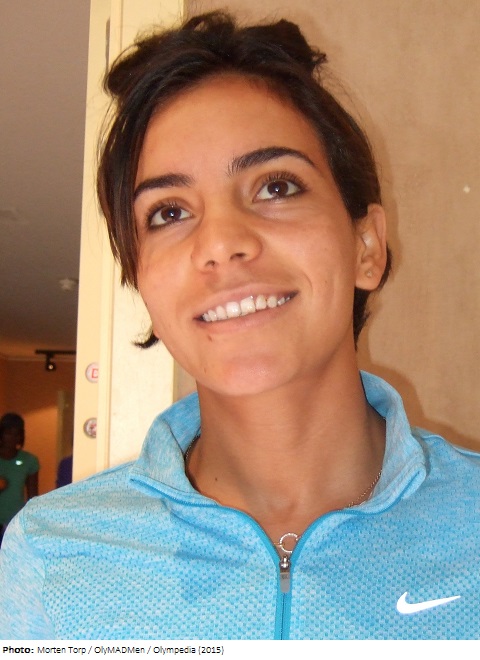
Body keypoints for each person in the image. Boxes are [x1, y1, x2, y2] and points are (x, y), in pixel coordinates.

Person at [1, 11, 479, 640]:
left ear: (366, 245)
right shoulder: (49, 557)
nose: (221, 243)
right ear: (142, 282)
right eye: (169, 212)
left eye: (276, 187)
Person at [0, 413, 39, 547]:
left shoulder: (29, 461)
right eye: (8, 433)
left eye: (17, 434)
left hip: (14, 520)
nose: (12, 438)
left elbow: (33, 496)